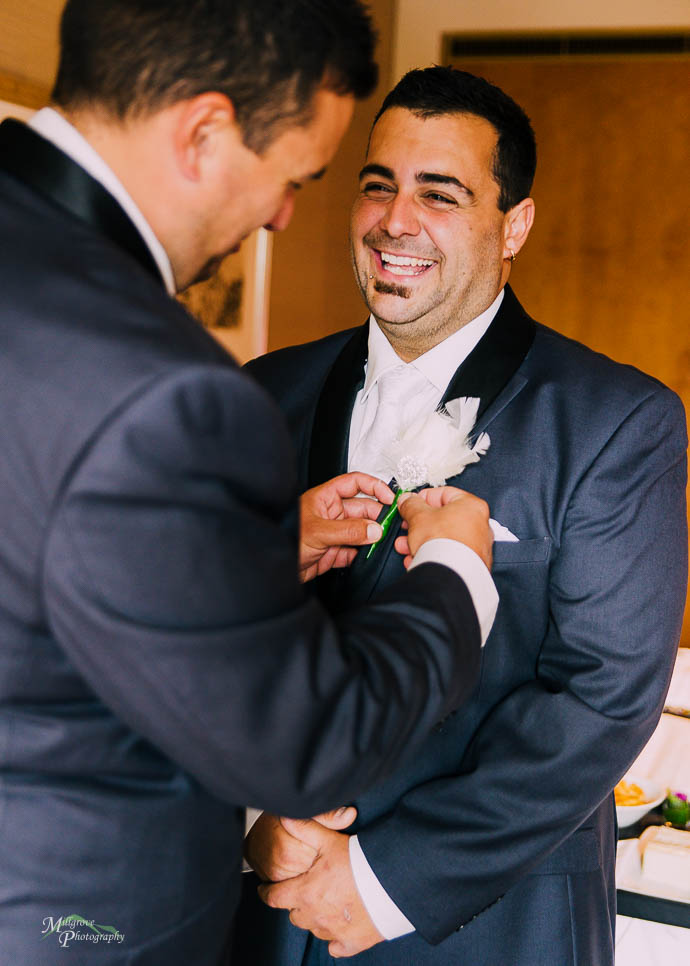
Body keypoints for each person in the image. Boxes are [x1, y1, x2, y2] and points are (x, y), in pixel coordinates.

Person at [0, 7, 502, 963]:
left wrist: (245, 552)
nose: (281, 217)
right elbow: (304, 738)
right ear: (202, 131)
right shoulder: (165, 388)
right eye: (295, 179)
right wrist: (455, 575)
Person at [236, 67, 689, 965]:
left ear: (513, 223)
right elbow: (189, 634)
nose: (395, 222)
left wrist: (387, 879)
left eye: (439, 195)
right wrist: (253, 815)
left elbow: (600, 695)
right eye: (379, 185)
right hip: (254, 912)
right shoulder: (259, 394)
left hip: (482, 924)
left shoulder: (615, 422)